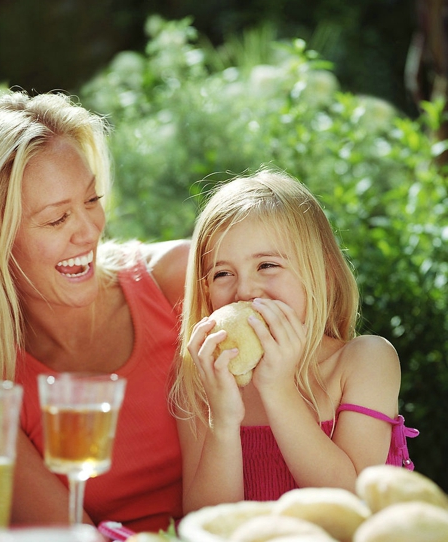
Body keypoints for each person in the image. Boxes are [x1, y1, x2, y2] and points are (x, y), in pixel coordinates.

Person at [0, 90, 189, 532]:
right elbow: (70, 535)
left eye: (92, 200)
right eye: (56, 219)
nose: (89, 231)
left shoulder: (181, 282)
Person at [170, 168, 418, 513]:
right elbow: (204, 523)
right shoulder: (203, 380)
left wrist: (279, 390)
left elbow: (353, 505)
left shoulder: (366, 361)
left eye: (267, 265)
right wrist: (223, 422)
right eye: (222, 273)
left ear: (324, 273)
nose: (244, 290)